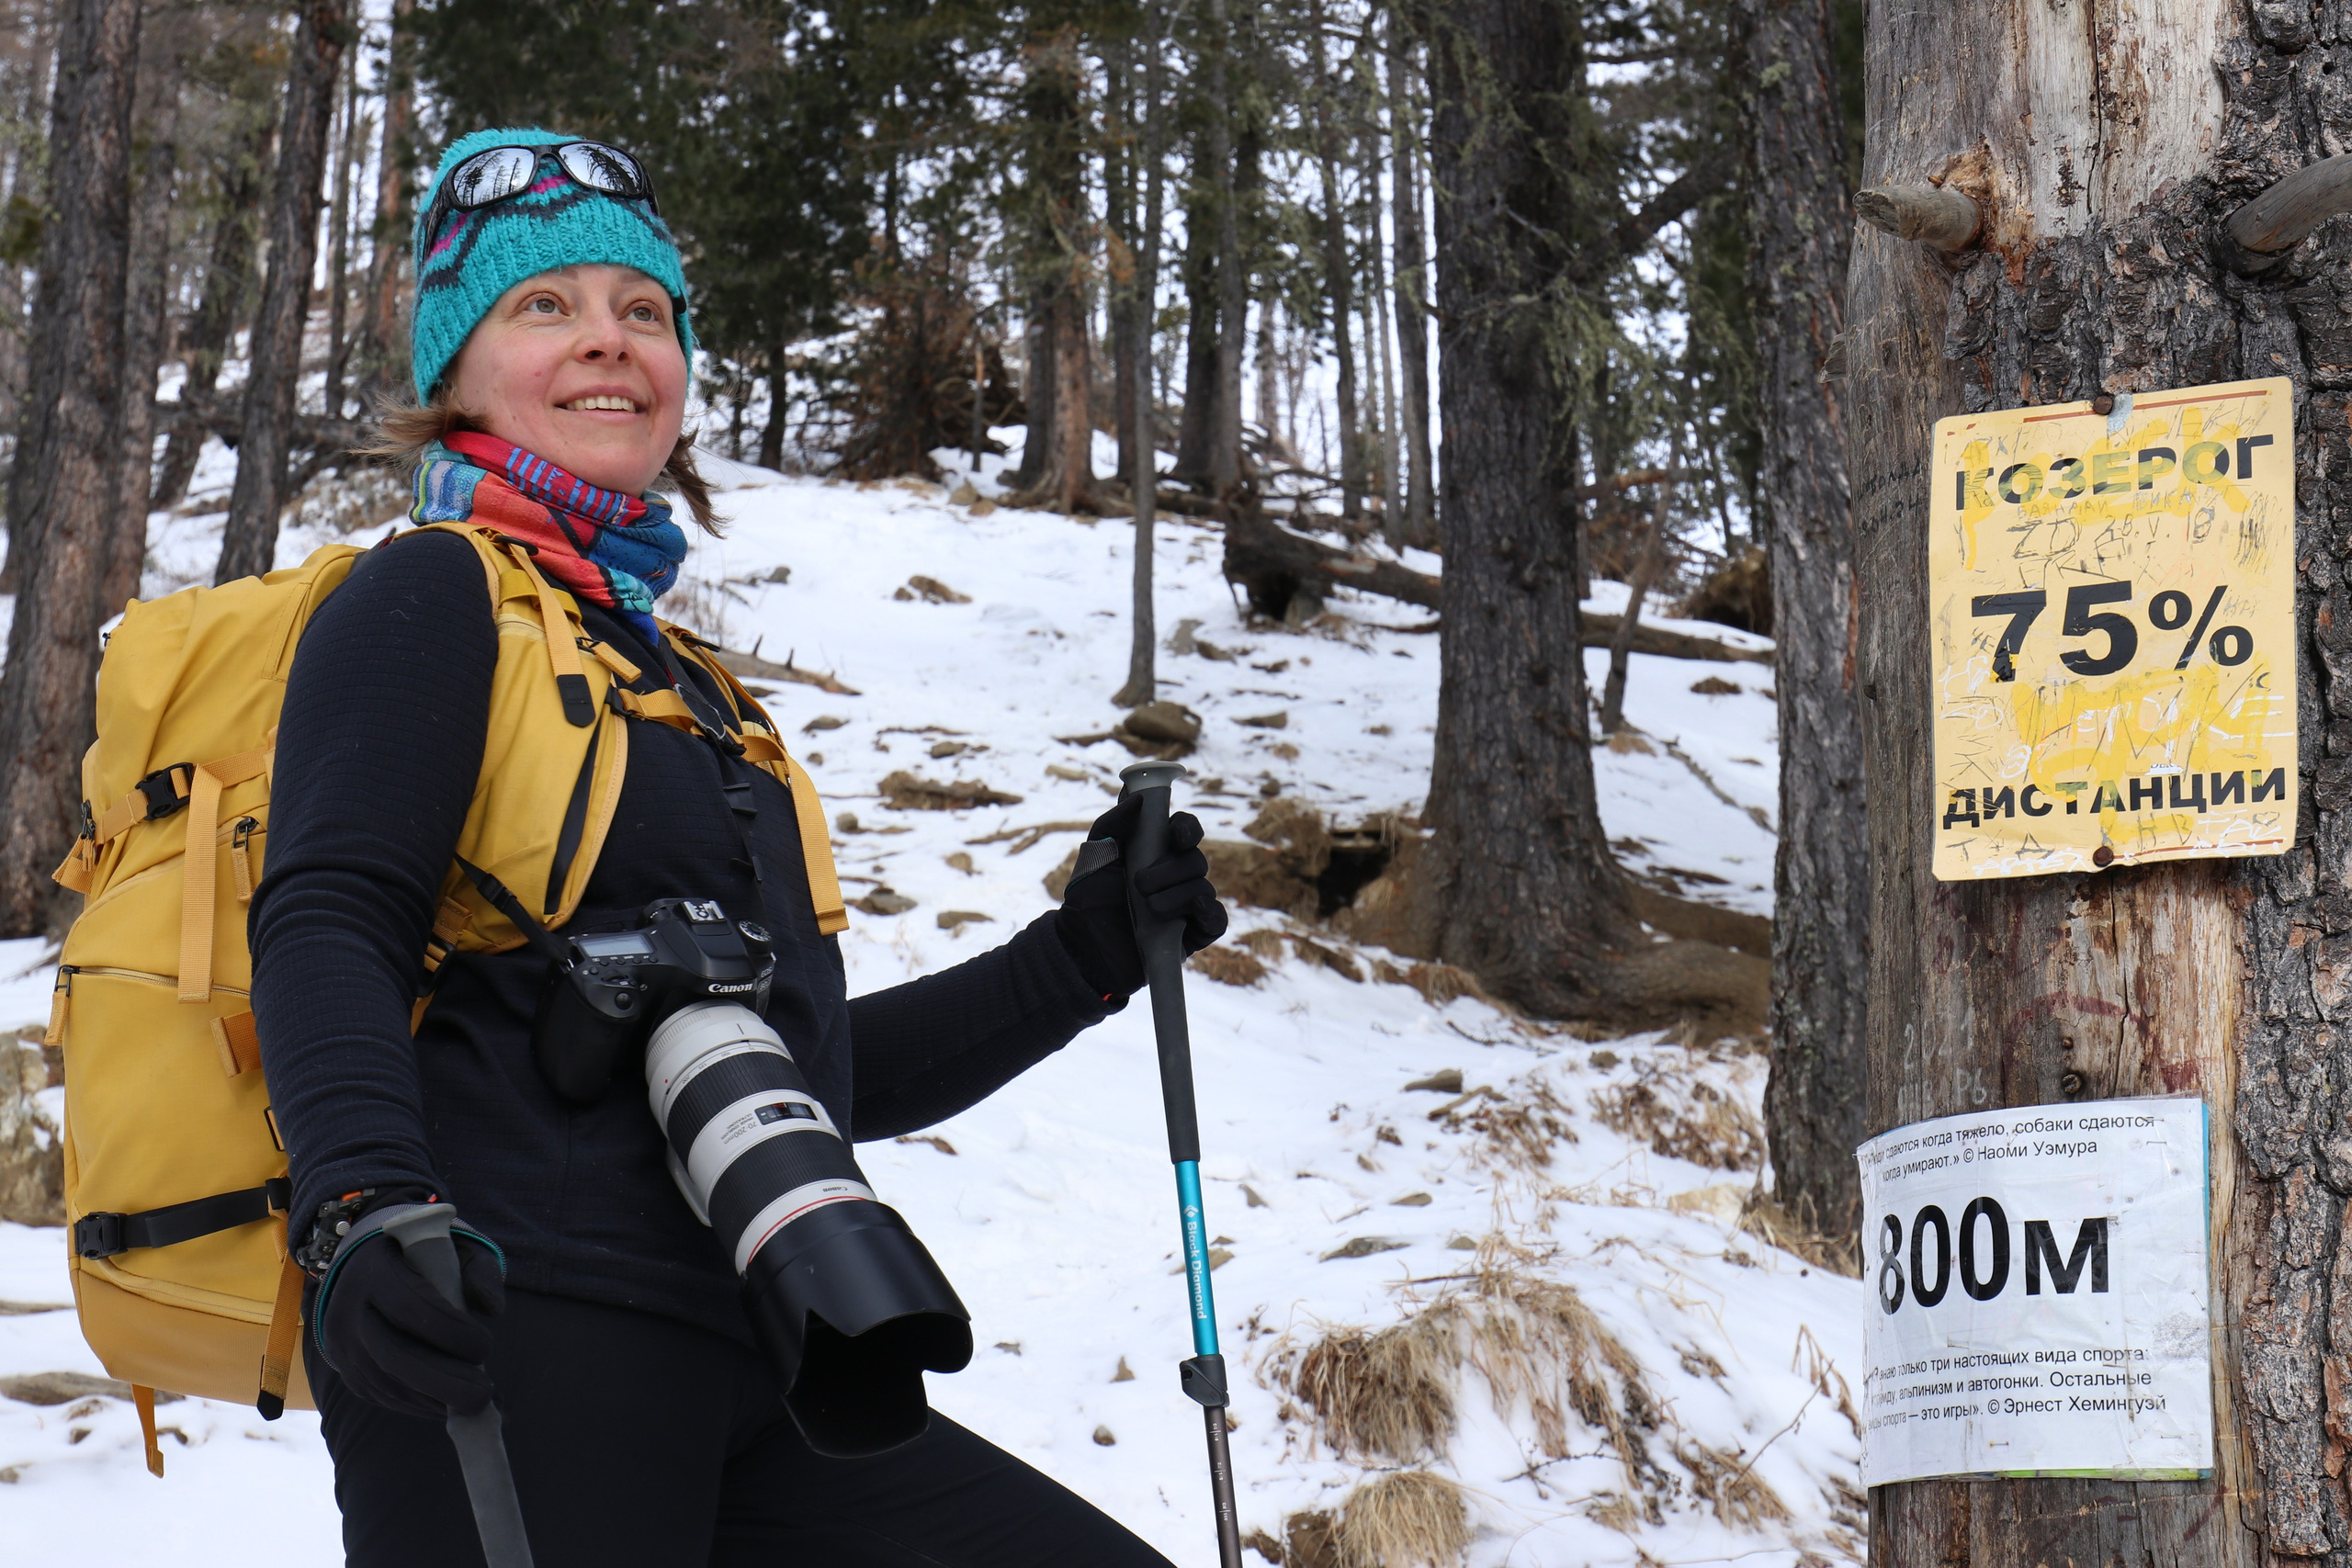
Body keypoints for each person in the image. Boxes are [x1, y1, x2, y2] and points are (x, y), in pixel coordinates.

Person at [251, 128, 1227, 1567]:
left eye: (643, 312)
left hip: (768, 1348)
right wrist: (360, 1205)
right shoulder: (430, 594)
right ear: (453, 370)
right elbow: (332, 910)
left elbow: (813, 1071)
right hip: (510, 1340)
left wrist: (1080, 957)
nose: (610, 343)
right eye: (547, 306)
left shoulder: (689, 687)